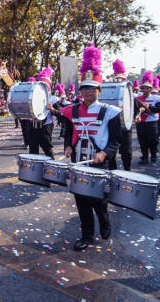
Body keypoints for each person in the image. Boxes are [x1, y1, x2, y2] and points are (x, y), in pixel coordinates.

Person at [60, 44, 122, 251]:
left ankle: (104, 221)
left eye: (91, 88)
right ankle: (87, 235)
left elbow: (116, 140)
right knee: (81, 200)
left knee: (99, 199)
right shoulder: (73, 110)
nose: (87, 92)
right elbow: (69, 131)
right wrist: (68, 146)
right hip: (79, 161)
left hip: (99, 162)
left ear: (99, 90)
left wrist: (105, 153)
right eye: (84, 88)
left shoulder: (111, 112)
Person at [135, 71, 160, 164]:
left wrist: (149, 107)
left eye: (146, 88)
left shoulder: (157, 98)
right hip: (141, 122)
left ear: (150, 89)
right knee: (142, 141)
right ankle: (144, 157)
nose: (144, 90)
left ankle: (154, 154)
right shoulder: (137, 98)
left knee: (152, 140)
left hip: (152, 122)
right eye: (142, 88)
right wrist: (136, 116)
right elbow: (135, 110)